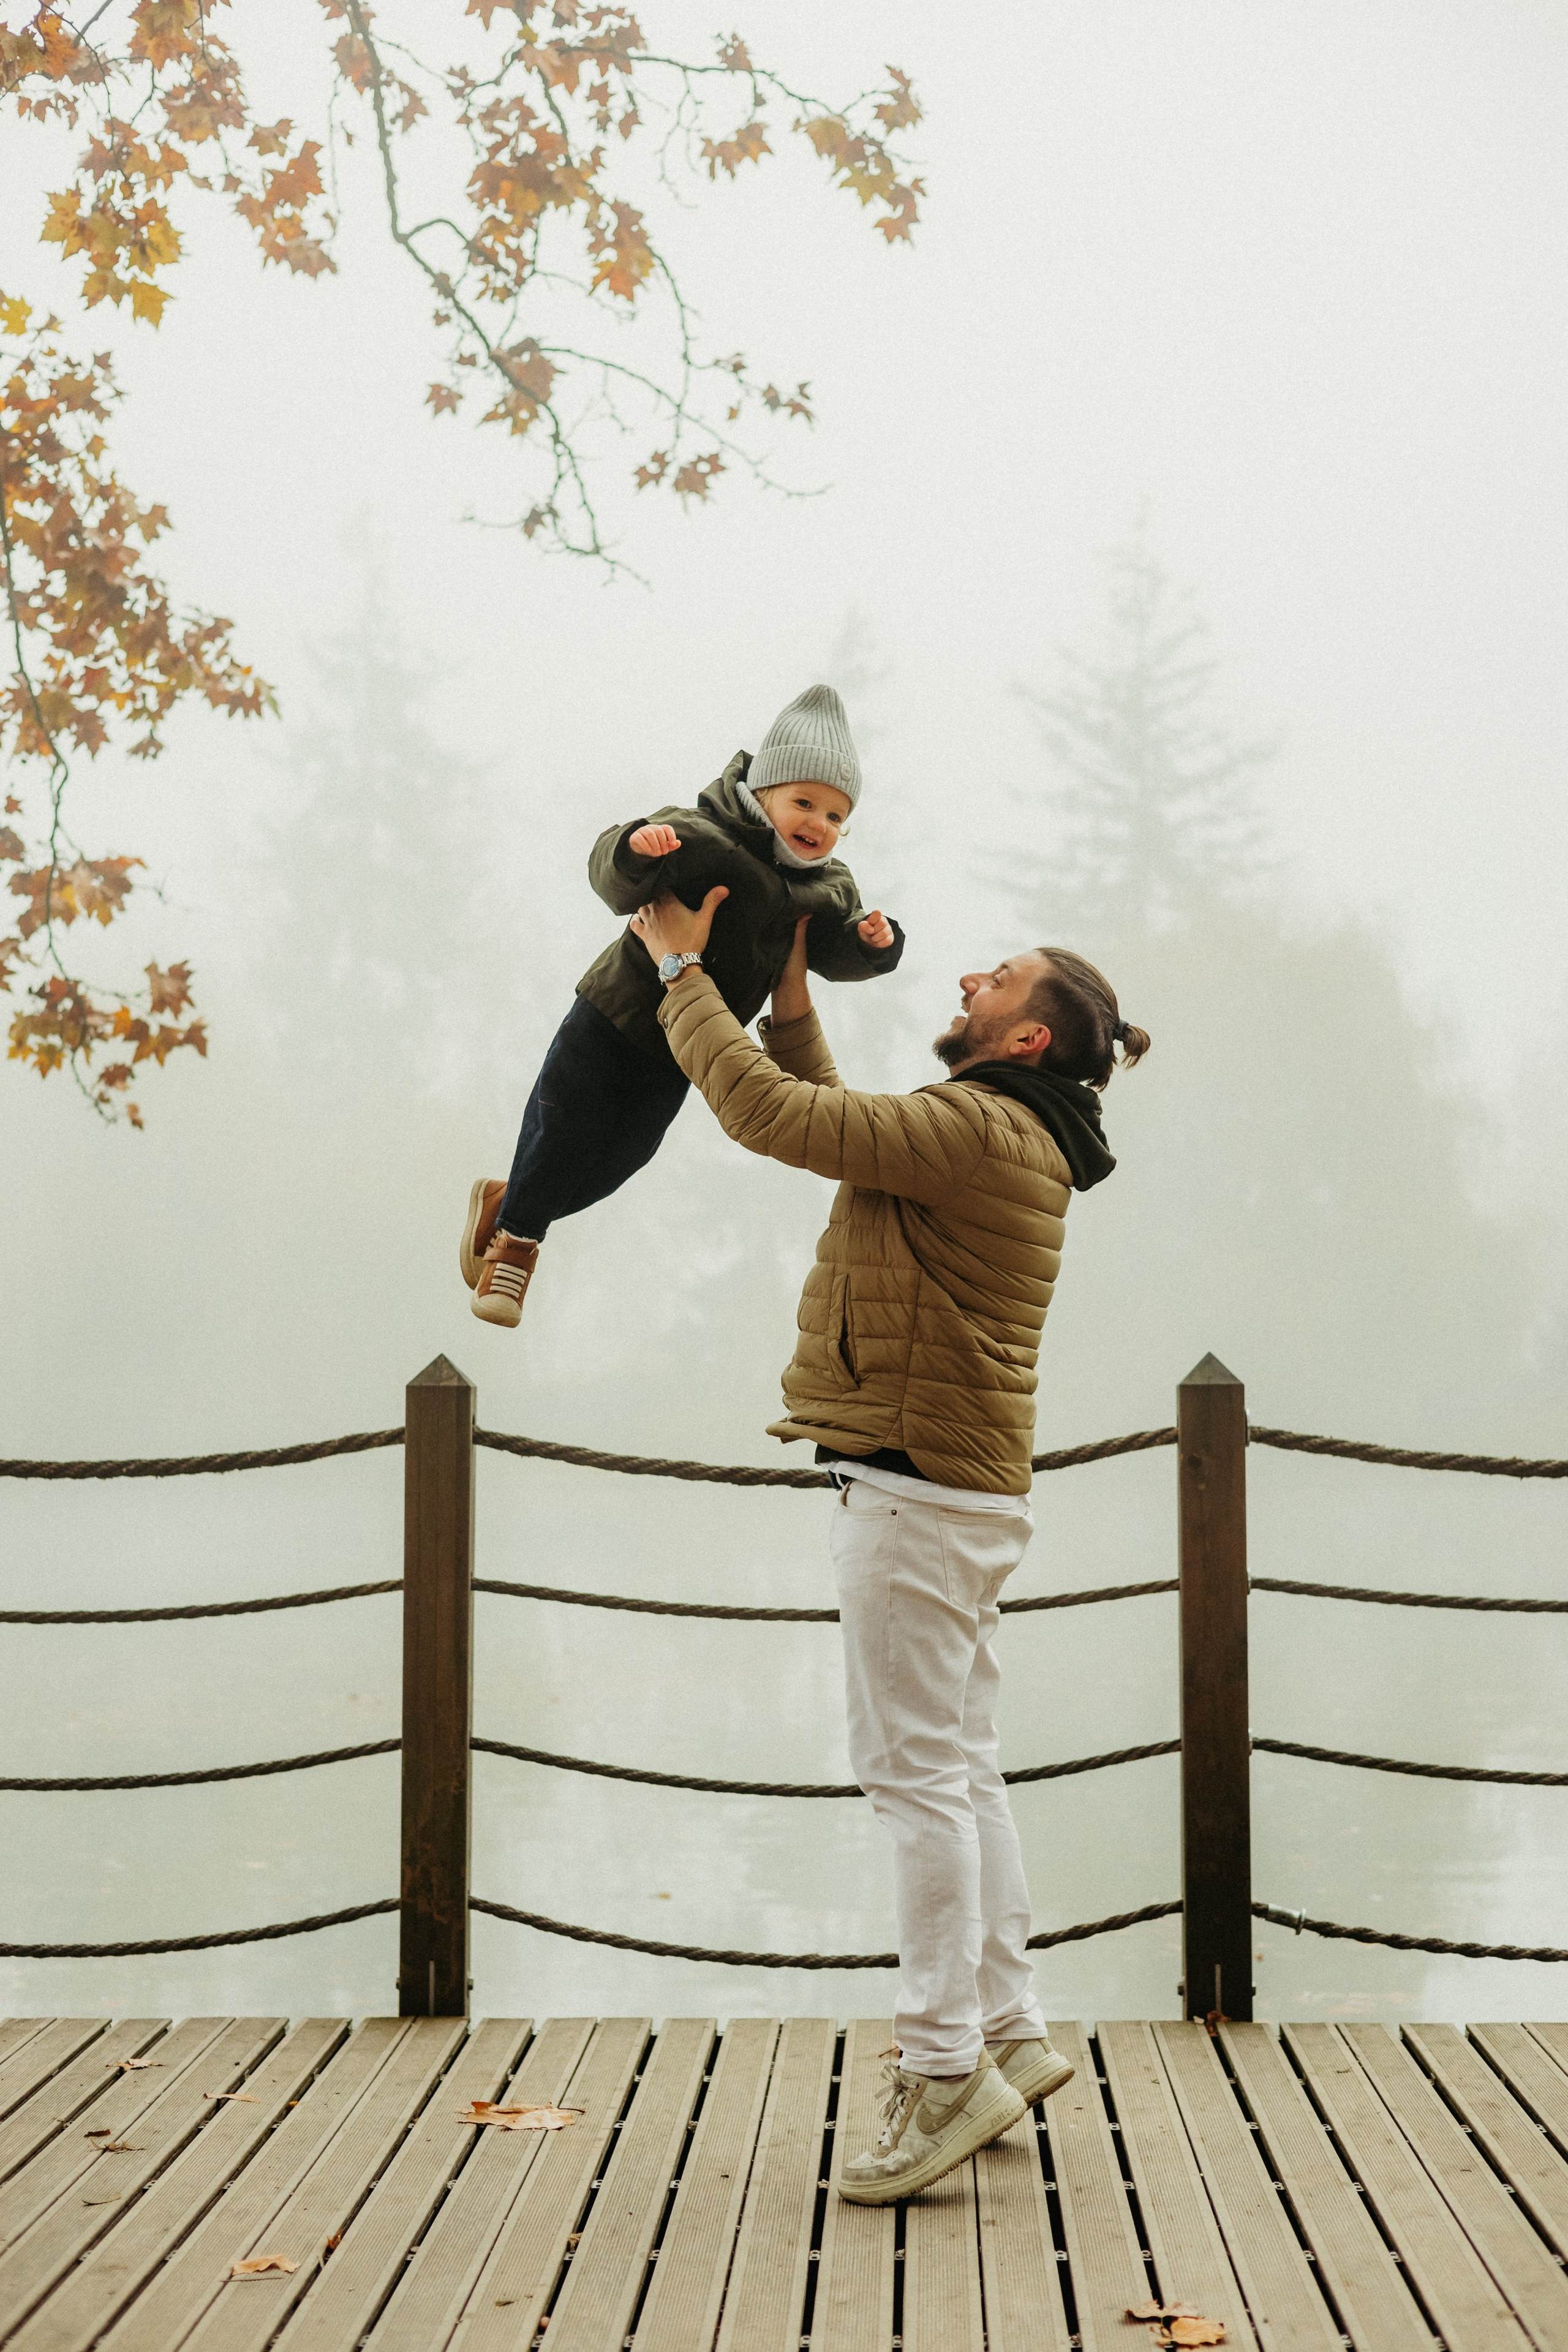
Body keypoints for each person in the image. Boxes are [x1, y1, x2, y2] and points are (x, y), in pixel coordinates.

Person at [627, 888, 1149, 2205]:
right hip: (956, 1492)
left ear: (1027, 1039)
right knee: (960, 1770)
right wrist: (790, 1000)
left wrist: (682, 972)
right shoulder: (1001, 1129)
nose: (969, 978)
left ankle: (939, 2070)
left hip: (912, 1491)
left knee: (914, 1782)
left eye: (999, 978)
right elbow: (844, 1127)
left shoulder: (976, 1129)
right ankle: (1008, 2033)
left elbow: (770, 1118)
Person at [459, 684, 903, 1327]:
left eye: (836, 816)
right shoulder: (702, 835)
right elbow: (611, 873)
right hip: (612, 1013)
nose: (819, 825)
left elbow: (830, 953)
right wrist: (633, 851)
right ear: (761, 793)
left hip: (684, 1045)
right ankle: (516, 1248)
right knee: (564, 1128)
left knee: (623, 1158)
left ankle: (508, 1202)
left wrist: (871, 945)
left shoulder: (828, 889)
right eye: (804, 803)